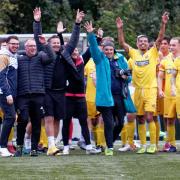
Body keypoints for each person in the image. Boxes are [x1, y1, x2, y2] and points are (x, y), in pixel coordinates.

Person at [33, 7, 85, 155]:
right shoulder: (44, 53)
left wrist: (77, 23)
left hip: (61, 92)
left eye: (58, 42)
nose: (56, 44)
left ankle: (53, 145)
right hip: (47, 92)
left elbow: (74, 40)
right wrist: (37, 22)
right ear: (48, 44)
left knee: (57, 119)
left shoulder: (65, 53)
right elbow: (38, 39)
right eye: (53, 42)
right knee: (48, 118)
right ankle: (50, 145)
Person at [116, 12, 169, 154]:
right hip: (137, 90)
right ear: (137, 43)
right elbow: (122, 43)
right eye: (140, 41)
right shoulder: (133, 53)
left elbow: (160, 38)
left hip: (150, 88)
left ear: (147, 43)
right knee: (139, 118)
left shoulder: (152, 52)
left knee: (150, 116)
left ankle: (153, 145)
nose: (143, 43)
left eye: (145, 41)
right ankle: (143, 145)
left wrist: (163, 23)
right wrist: (120, 29)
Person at [84, 21, 135, 156]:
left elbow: (128, 76)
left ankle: (108, 142)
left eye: (111, 50)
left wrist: (125, 77)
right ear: (103, 51)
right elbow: (94, 48)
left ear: (114, 51)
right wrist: (90, 34)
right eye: (106, 50)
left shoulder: (121, 59)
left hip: (119, 96)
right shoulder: (100, 60)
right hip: (106, 97)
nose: (108, 52)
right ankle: (110, 148)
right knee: (108, 122)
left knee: (120, 123)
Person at [14, 37, 55, 157]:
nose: (33, 48)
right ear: (25, 47)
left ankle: (34, 149)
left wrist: (46, 44)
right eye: (30, 46)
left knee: (37, 123)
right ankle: (19, 147)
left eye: (34, 46)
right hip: (22, 96)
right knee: (22, 120)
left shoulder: (41, 57)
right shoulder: (18, 59)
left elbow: (52, 57)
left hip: (38, 95)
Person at [158, 37, 180, 152]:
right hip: (169, 95)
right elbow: (160, 76)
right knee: (169, 120)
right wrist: (160, 90)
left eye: (173, 45)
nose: (171, 47)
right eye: (170, 45)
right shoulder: (165, 60)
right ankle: (171, 145)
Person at [0, 36, 19, 157]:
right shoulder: (3, 56)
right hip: (4, 94)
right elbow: (1, 77)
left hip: (11, 93)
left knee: (11, 118)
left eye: (17, 44)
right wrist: (8, 94)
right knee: (10, 117)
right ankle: (2, 147)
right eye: (13, 44)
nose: (15, 46)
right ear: (7, 44)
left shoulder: (13, 56)